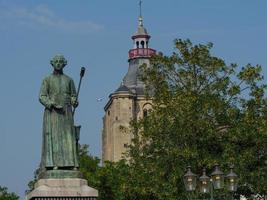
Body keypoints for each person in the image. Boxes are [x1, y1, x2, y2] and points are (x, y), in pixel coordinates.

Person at [39, 55, 79, 171]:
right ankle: (53, 164)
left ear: (64, 64)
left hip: (66, 113)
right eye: (56, 61)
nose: (58, 63)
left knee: (68, 137)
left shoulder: (69, 80)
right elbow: (41, 96)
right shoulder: (47, 79)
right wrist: (51, 103)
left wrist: (74, 101)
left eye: (60, 62)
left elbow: (73, 95)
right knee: (54, 138)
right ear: (52, 63)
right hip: (52, 113)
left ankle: (71, 163)